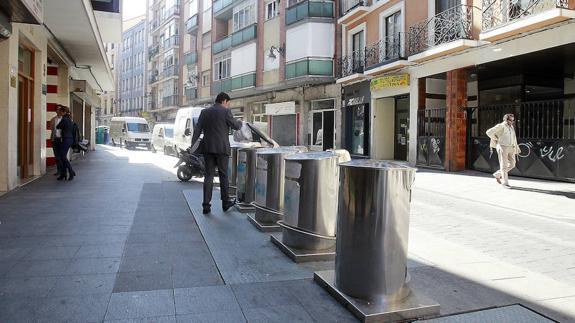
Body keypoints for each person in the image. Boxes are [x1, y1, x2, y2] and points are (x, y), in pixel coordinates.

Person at [191, 92, 242, 214]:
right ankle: (225, 203)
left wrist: (192, 146)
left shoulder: (204, 112)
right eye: (228, 103)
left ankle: (206, 206)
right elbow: (235, 126)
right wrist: (239, 122)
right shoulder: (225, 111)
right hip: (222, 149)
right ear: (224, 101)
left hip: (208, 148)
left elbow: (197, 130)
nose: (228, 106)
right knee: (223, 175)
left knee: (208, 176)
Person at [486, 113, 521, 187]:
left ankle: (498, 174)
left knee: (512, 164)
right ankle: (505, 183)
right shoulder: (501, 125)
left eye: (513, 120)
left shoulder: (511, 126)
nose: (512, 121)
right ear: (506, 119)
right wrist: (496, 138)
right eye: (510, 120)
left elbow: (514, 138)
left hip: (511, 147)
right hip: (503, 146)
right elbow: (488, 132)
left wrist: (516, 147)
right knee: (504, 165)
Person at [55, 105, 77, 181]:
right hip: (69, 140)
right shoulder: (69, 119)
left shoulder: (64, 119)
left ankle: (71, 172)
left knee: (62, 157)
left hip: (66, 140)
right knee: (62, 157)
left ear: (64, 112)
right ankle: (63, 174)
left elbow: (58, 126)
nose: (59, 113)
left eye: (60, 111)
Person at [50, 106, 64, 176]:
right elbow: (51, 129)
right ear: (56, 111)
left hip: (62, 140)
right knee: (57, 156)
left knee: (62, 156)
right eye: (57, 109)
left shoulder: (64, 119)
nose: (58, 111)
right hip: (55, 139)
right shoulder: (53, 119)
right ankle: (59, 170)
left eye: (60, 109)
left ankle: (63, 170)